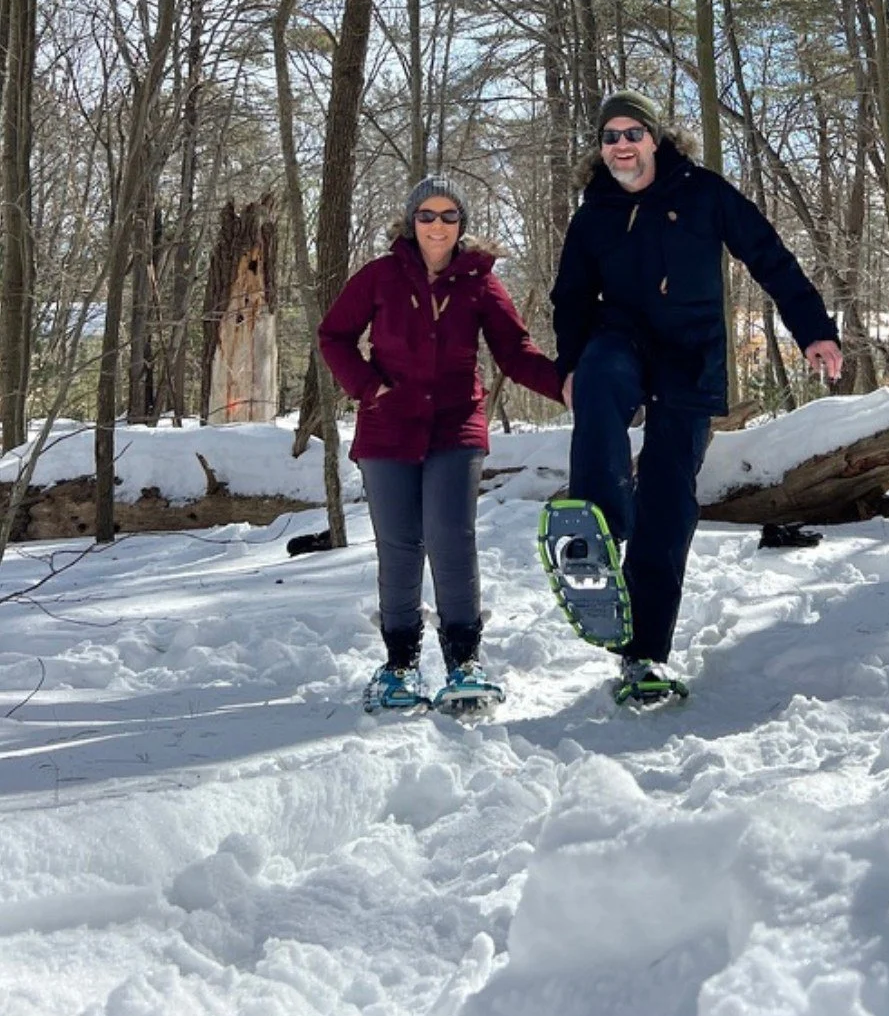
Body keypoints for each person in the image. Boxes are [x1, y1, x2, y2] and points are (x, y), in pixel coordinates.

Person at [551, 89, 843, 699]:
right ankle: (598, 523)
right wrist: (570, 366)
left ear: (656, 139)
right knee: (599, 376)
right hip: (621, 340)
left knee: (668, 494)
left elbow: (769, 256)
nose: (622, 145)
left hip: (690, 356)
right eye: (610, 137)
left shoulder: (703, 193)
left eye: (633, 133)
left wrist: (813, 329)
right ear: (601, 150)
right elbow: (571, 297)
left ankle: (645, 654)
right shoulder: (593, 213)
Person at [319, 174, 563, 710]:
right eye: (426, 215)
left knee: (451, 538)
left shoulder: (479, 282)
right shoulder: (380, 276)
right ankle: (400, 665)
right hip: (388, 426)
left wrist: (567, 385)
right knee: (401, 545)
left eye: (448, 216)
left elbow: (515, 352)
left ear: (462, 225)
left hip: (455, 427)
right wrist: (366, 387)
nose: (436, 225)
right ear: (411, 222)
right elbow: (333, 335)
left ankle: (464, 661)